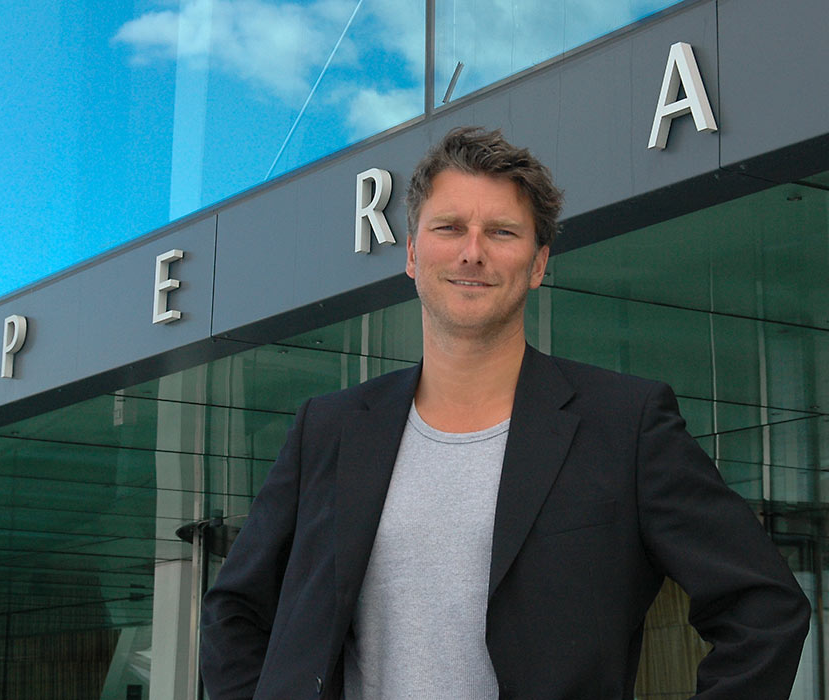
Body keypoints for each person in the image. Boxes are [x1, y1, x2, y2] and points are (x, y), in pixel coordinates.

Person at [199, 126, 810, 700]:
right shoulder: (327, 428)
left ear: (539, 263)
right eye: (449, 228)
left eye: (502, 232)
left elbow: (764, 609)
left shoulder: (626, 424)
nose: (472, 253)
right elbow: (236, 613)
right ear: (412, 254)